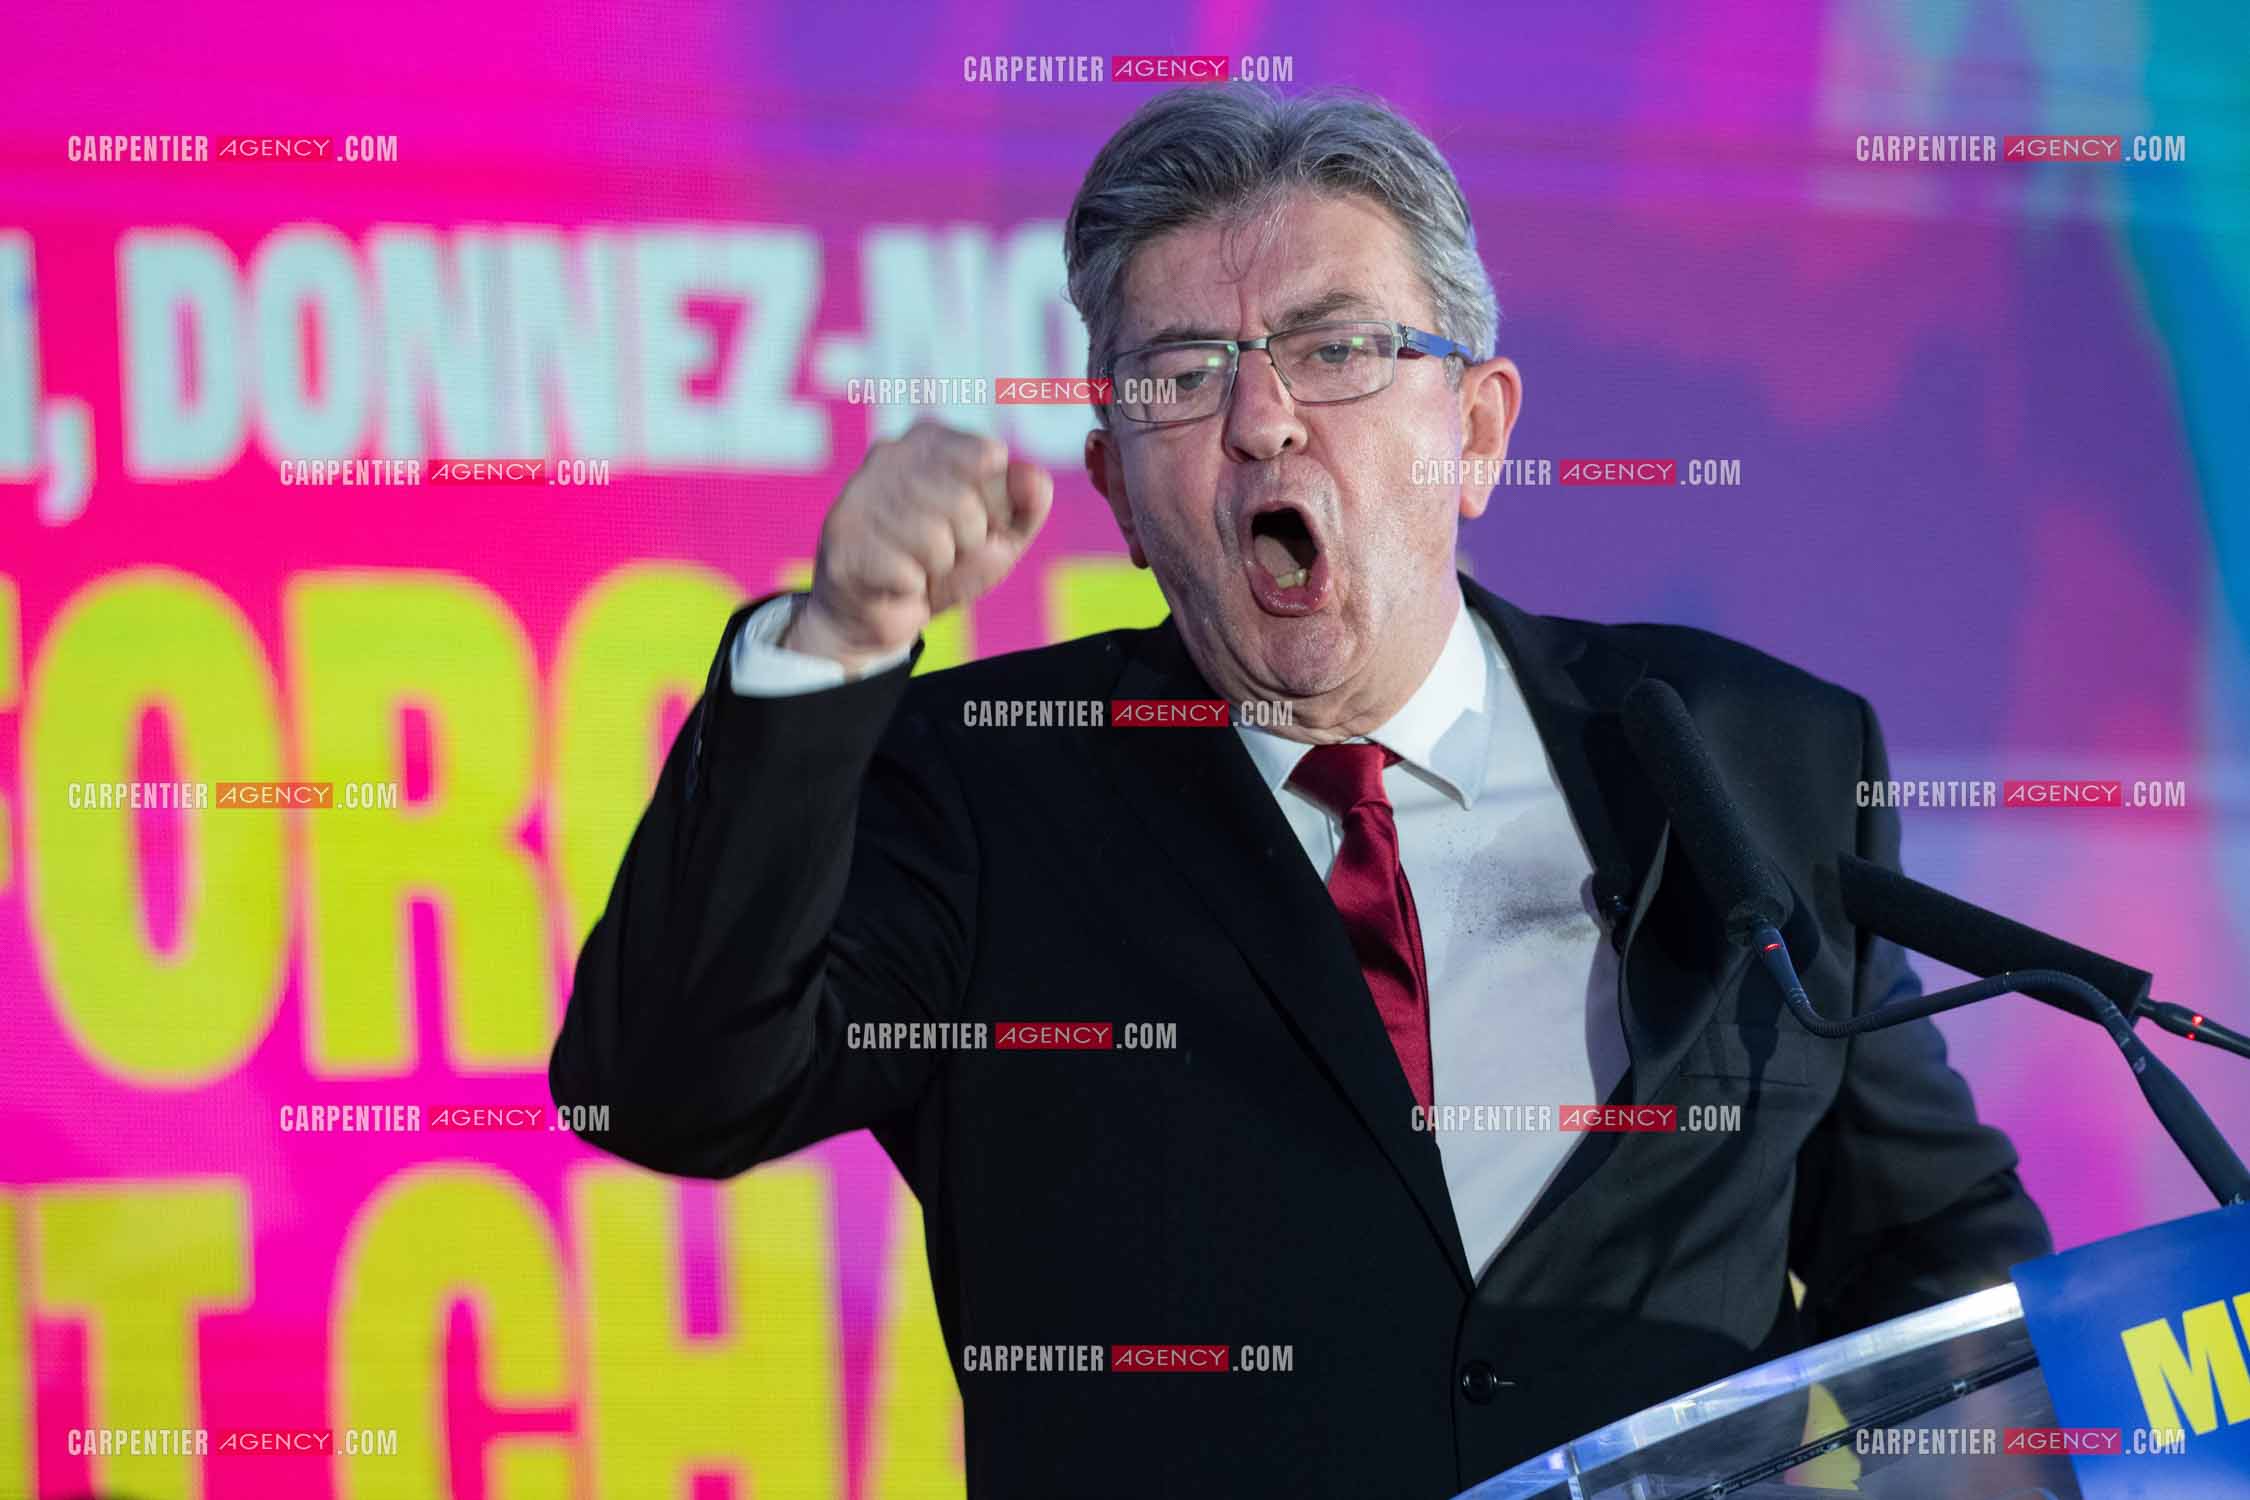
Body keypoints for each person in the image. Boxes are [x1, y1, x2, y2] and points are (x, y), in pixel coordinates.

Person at [551, 82, 2050, 1498]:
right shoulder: (982, 783)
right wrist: (834, 645)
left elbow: (1930, 1247)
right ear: (1120, 491)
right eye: (1181, 376)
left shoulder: (1746, 751)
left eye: (1336, 351)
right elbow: (666, 1093)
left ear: (1472, 433)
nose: (1262, 421)